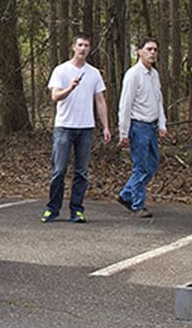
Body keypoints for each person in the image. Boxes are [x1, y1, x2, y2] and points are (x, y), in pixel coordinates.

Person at [44, 35, 110, 223]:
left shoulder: (94, 73)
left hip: (86, 128)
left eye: (86, 46)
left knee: (81, 172)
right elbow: (55, 96)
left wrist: (105, 126)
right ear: (73, 47)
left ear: (90, 49)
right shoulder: (61, 70)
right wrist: (70, 89)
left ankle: (77, 209)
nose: (82, 49)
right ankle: (52, 208)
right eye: (79, 45)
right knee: (59, 170)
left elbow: (100, 100)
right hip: (64, 127)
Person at [114, 38, 168, 217]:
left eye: (155, 50)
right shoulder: (133, 74)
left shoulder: (154, 74)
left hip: (151, 126)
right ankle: (137, 205)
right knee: (141, 166)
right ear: (139, 52)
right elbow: (125, 104)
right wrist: (124, 132)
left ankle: (126, 194)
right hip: (138, 126)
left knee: (152, 165)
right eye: (148, 49)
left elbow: (158, 100)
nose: (152, 53)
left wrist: (162, 123)